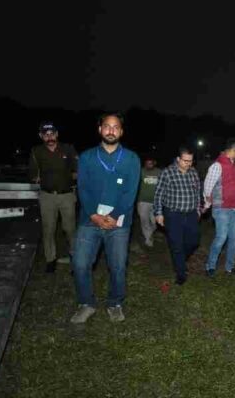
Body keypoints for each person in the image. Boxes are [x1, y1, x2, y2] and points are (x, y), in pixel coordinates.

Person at [70, 113, 140, 324]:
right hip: (89, 220)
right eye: (107, 126)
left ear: (121, 131)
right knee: (80, 264)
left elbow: (130, 192)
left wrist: (114, 215)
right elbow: (82, 188)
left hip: (118, 223)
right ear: (100, 129)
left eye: (115, 127)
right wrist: (94, 214)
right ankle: (86, 303)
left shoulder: (131, 159)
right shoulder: (87, 157)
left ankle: (115, 303)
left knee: (118, 266)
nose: (111, 130)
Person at [29, 121, 78, 273]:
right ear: (41, 136)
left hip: (67, 195)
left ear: (57, 134)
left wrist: (73, 176)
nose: (49, 137)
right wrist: (36, 178)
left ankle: (75, 258)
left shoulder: (68, 148)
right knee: (48, 229)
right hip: (47, 197)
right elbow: (32, 173)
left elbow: (78, 169)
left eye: (52, 134)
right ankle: (50, 260)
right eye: (46, 134)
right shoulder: (36, 151)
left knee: (70, 229)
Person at [153, 147, 203, 286]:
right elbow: (158, 195)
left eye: (190, 161)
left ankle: (179, 259)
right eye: (185, 161)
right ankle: (181, 273)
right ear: (178, 159)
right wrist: (158, 213)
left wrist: (198, 209)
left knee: (194, 241)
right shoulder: (167, 172)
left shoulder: (193, 172)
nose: (188, 164)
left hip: (191, 214)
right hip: (173, 214)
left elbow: (197, 192)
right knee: (177, 245)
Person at [203, 138, 235, 276]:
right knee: (221, 237)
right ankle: (210, 265)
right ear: (234, 150)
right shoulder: (217, 165)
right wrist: (207, 204)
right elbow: (208, 186)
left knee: (234, 238)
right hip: (222, 208)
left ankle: (229, 267)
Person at [136, 156, 161, 247]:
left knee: (155, 222)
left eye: (150, 163)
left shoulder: (159, 172)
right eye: (147, 163)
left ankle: (150, 233)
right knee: (144, 221)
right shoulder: (140, 171)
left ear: (154, 163)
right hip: (142, 202)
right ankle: (148, 239)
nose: (148, 165)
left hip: (156, 202)